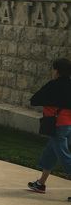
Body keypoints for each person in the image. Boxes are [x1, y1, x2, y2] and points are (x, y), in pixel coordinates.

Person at [27, 58, 71, 196]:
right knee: (50, 153)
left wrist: (50, 102)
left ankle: (40, 184)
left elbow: (34, 100)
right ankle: (40, 183)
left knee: (64, 157)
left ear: (57, 71)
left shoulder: (53, 85)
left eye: (53, 69)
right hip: (68, 124)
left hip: (57, 124)